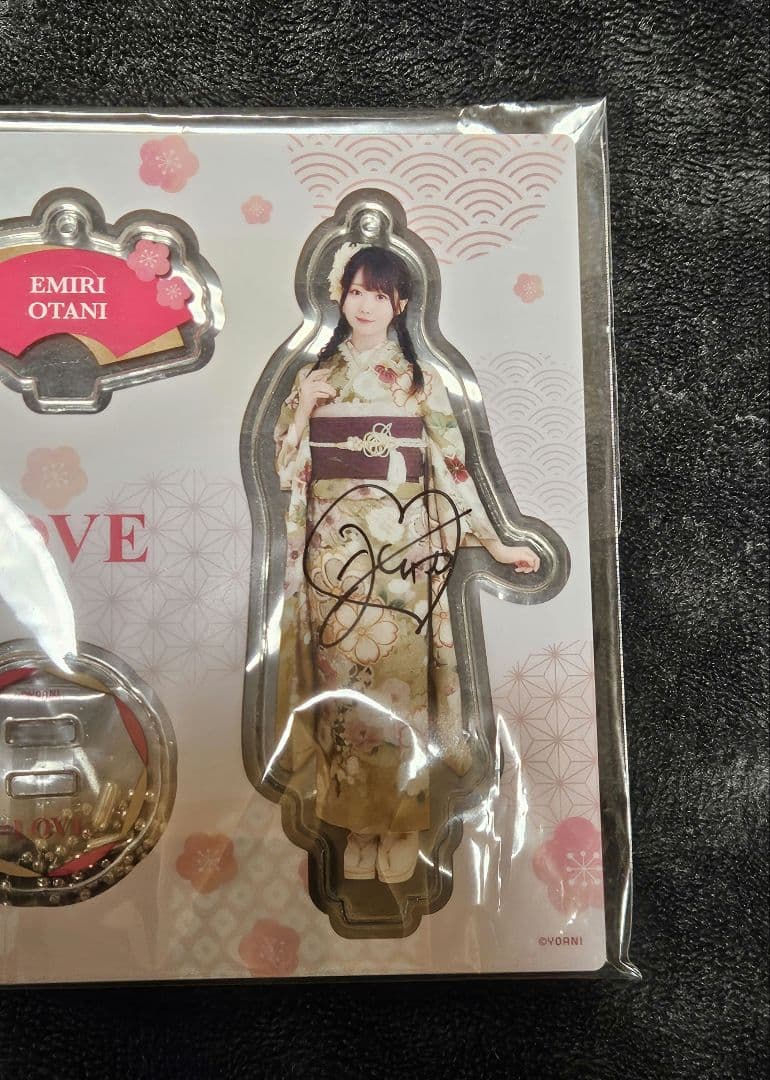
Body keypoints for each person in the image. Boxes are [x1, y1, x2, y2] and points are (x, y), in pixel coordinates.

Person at [273, 244, 539, 885]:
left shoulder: (420, 382)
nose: (365, 305)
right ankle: (356, 825)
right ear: (340, 297)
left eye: (378, 294)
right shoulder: (318, 375)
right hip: (336, 553)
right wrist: (304, 407)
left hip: (401, 551)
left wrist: (493, 542)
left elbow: (453, 466)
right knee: (345, 692)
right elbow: (287, 470)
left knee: (400, 687)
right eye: (355, 292)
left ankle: (400, 824)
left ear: (401, 304)